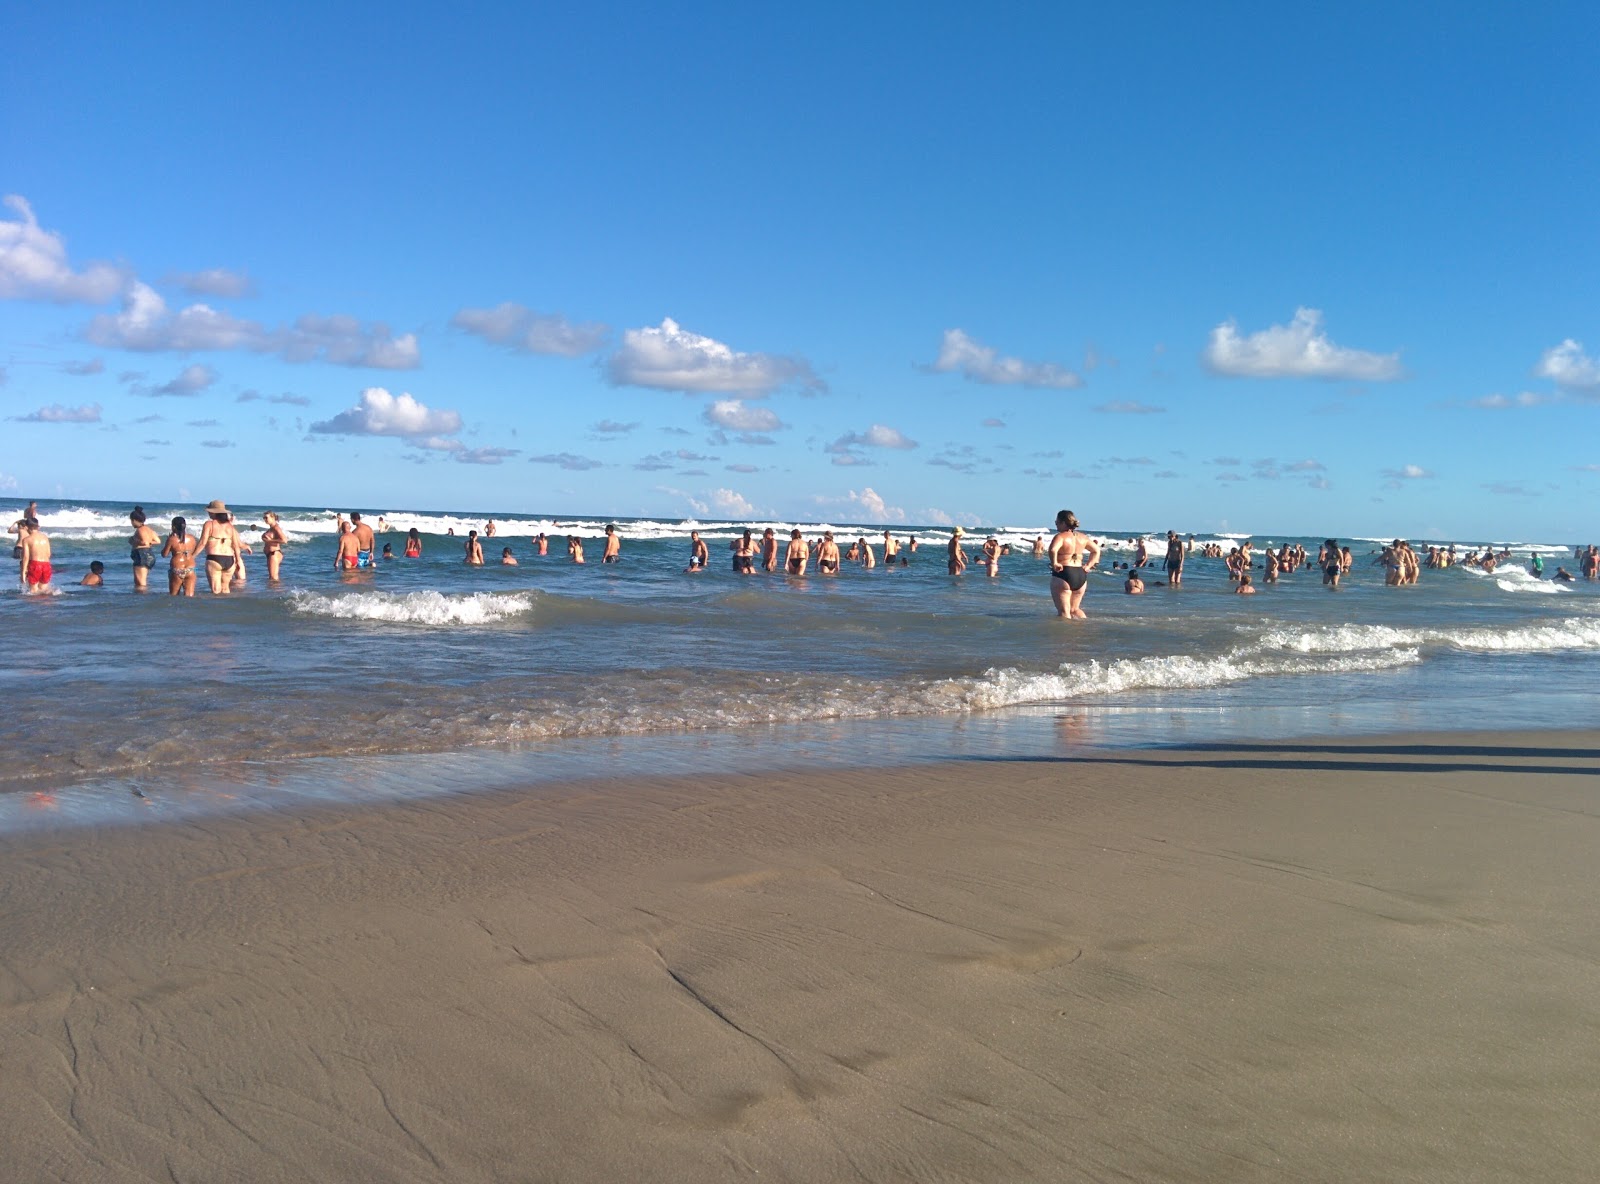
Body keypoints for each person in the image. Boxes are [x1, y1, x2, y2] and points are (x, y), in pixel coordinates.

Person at [1048, 509, 1101, 619]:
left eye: (1057, 522)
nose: (1056, 525)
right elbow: (1096, 550)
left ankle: (1065, 636)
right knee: (1075, 609)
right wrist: (1088, 566)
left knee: (1064, 612)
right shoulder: (1083, 537)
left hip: (1064, 573)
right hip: (1080, 574)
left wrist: (1055, 563)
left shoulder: (1060, 536)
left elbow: (1053, 550)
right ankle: (1083, 629)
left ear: (1063, 522)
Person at [196, 500, 242, 594]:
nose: (208, 513)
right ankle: (226, 607)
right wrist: (237, 561)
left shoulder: (209, 524)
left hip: (214, 558)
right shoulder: (230, 526)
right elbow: (236, 546)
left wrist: (192, 556)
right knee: (226, 589)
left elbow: (202, 543)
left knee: (215, 590)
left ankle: (216, 608)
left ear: (213, 512)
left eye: (209, 511)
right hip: (230, 559)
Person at [162, 516, 199, 596]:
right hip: (190, 568)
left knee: (174, 596)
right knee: (189, 596)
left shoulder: (172, 539)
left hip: (177, 569)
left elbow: (164, 554)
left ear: (173, 527)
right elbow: (193, 551)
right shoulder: (192, 538)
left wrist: (168, 540)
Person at [129, 506, 160, 591]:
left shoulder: (140, 530)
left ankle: (143, 600)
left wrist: (134, 541)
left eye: (131, 521)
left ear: (134, 520)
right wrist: (149, 542)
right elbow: (157, 541)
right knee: (140, 581)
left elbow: (144, 542)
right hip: (148, 555)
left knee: (141, 583)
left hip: (141, 555)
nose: (131, 523)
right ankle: (141, 598)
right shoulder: (148, 529)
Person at [20, 518, 52, 593]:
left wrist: (23, 573)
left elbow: (25, 557)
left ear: (26, 527)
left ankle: (34, 605)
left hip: (35, 565)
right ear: (38, 526)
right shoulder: (45, 537)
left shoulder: (27, 540)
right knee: (44, 591)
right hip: (46, 565)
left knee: (33, 591)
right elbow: (48, 554)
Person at [261, 510, 287, 581]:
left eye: (266, 518)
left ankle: (277, 591)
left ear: (272, 518)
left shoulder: (276, 528)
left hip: (274, 553)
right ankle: (273, 592)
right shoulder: (271, 528)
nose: (265, 519)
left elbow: (284, 540)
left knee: (273, 578)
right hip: (270, 554)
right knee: (272, 577)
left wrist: (269, 541)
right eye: (264, 518)